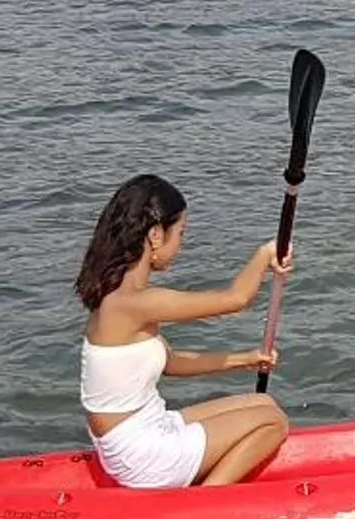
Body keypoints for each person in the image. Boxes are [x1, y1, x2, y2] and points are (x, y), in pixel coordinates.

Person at [75, 174, 293, 488]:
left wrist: (245, 359)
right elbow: (235, 300)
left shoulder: (119, 296)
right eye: (180, 233)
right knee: (275, 422)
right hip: (141, 455)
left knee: (263, 405)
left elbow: (172, 362)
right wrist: (265, 255)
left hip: (147, 428)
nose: (181, 244)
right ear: (154, 235)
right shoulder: (134, 303)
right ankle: (203, 504)